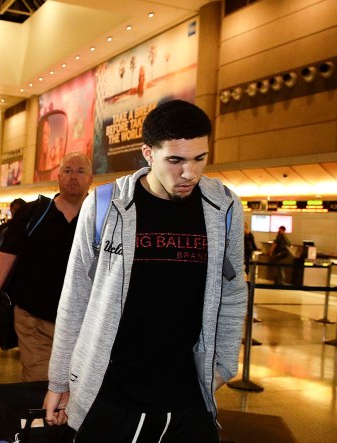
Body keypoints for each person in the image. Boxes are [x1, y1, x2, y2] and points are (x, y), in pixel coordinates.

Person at [43, 100, 247, 442]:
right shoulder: (106, 205)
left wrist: (222, 365)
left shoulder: (223, 207)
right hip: (109, 390)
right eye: (176, 160)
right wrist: (60, 381)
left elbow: (232, 291)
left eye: (200, 158)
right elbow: (76, 295)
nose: (189, 173)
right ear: (148, 153)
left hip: (187, 395)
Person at [0, 152, 93, 382]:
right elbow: (4, 257)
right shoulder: (34, 213)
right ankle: (39, 418)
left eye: (80, 171)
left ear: (90, 179)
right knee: (40, 383)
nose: (73, 177)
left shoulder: (102, 218)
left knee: (77, 385)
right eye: (68, 171)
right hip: (34, 320)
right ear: (58, 177)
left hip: (83, 324)